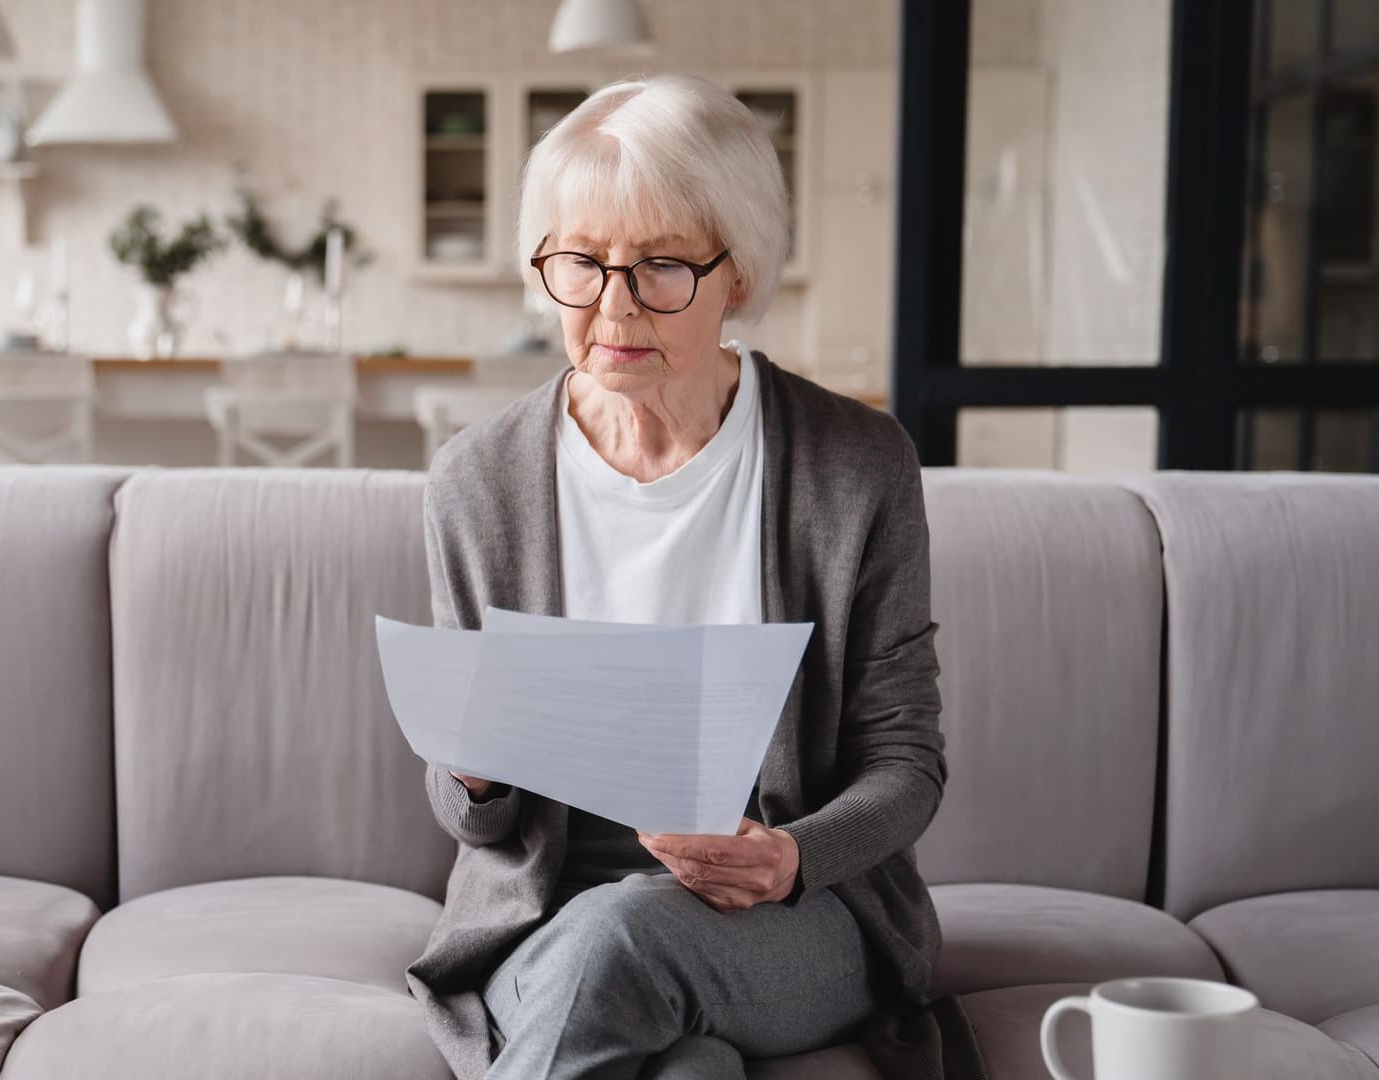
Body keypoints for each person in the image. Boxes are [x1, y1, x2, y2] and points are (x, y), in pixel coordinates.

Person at [405, 73, 968, 1079]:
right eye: (580, 263)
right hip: (545, 914)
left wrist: (792, 857)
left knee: (624, 938)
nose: (612, 307)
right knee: (684, 1061)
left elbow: (905, 763)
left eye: (661, 266)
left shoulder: (856, 467)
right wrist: (473, 770)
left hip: (793, 913)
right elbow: (467, 818)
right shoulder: (477, 481)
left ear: (738, 273)